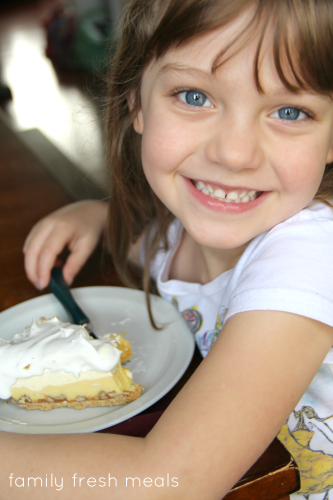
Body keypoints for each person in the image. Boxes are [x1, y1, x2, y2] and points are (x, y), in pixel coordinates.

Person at [3, 0, 333, 498]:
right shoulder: (172, 231)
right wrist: (100, 213)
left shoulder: (313, 252)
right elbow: (145, 240)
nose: (234, 152)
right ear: (135, 101)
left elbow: (170, 482)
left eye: (290, 111)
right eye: (195, 96)